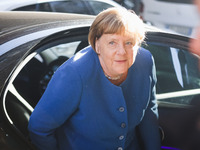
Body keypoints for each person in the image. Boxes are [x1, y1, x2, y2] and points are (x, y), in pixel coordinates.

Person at [28, 7, 161, 150]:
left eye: (129, 42)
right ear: (97, 45)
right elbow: (39, 128)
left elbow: (149, 113)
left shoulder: (145, 61)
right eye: (112, 43)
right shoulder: (74, 74)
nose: (122, 51)